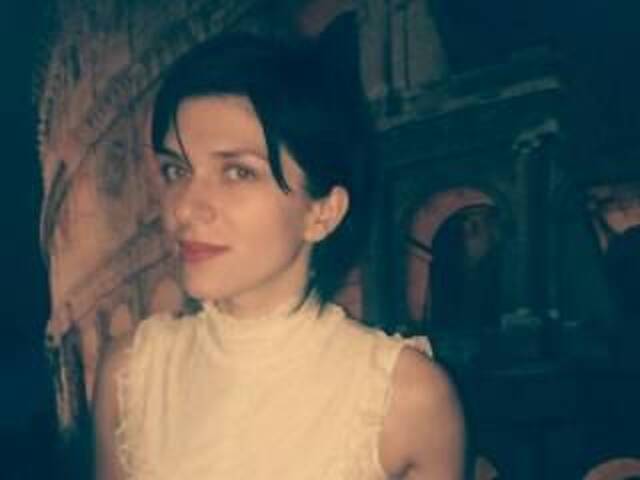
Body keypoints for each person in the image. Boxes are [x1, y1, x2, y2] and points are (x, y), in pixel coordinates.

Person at [93, 32, 465, 480]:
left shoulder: (405, 399)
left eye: (237, 172)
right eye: (177, 170)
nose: (185, 208)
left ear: (322, 213)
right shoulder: (131, 375)